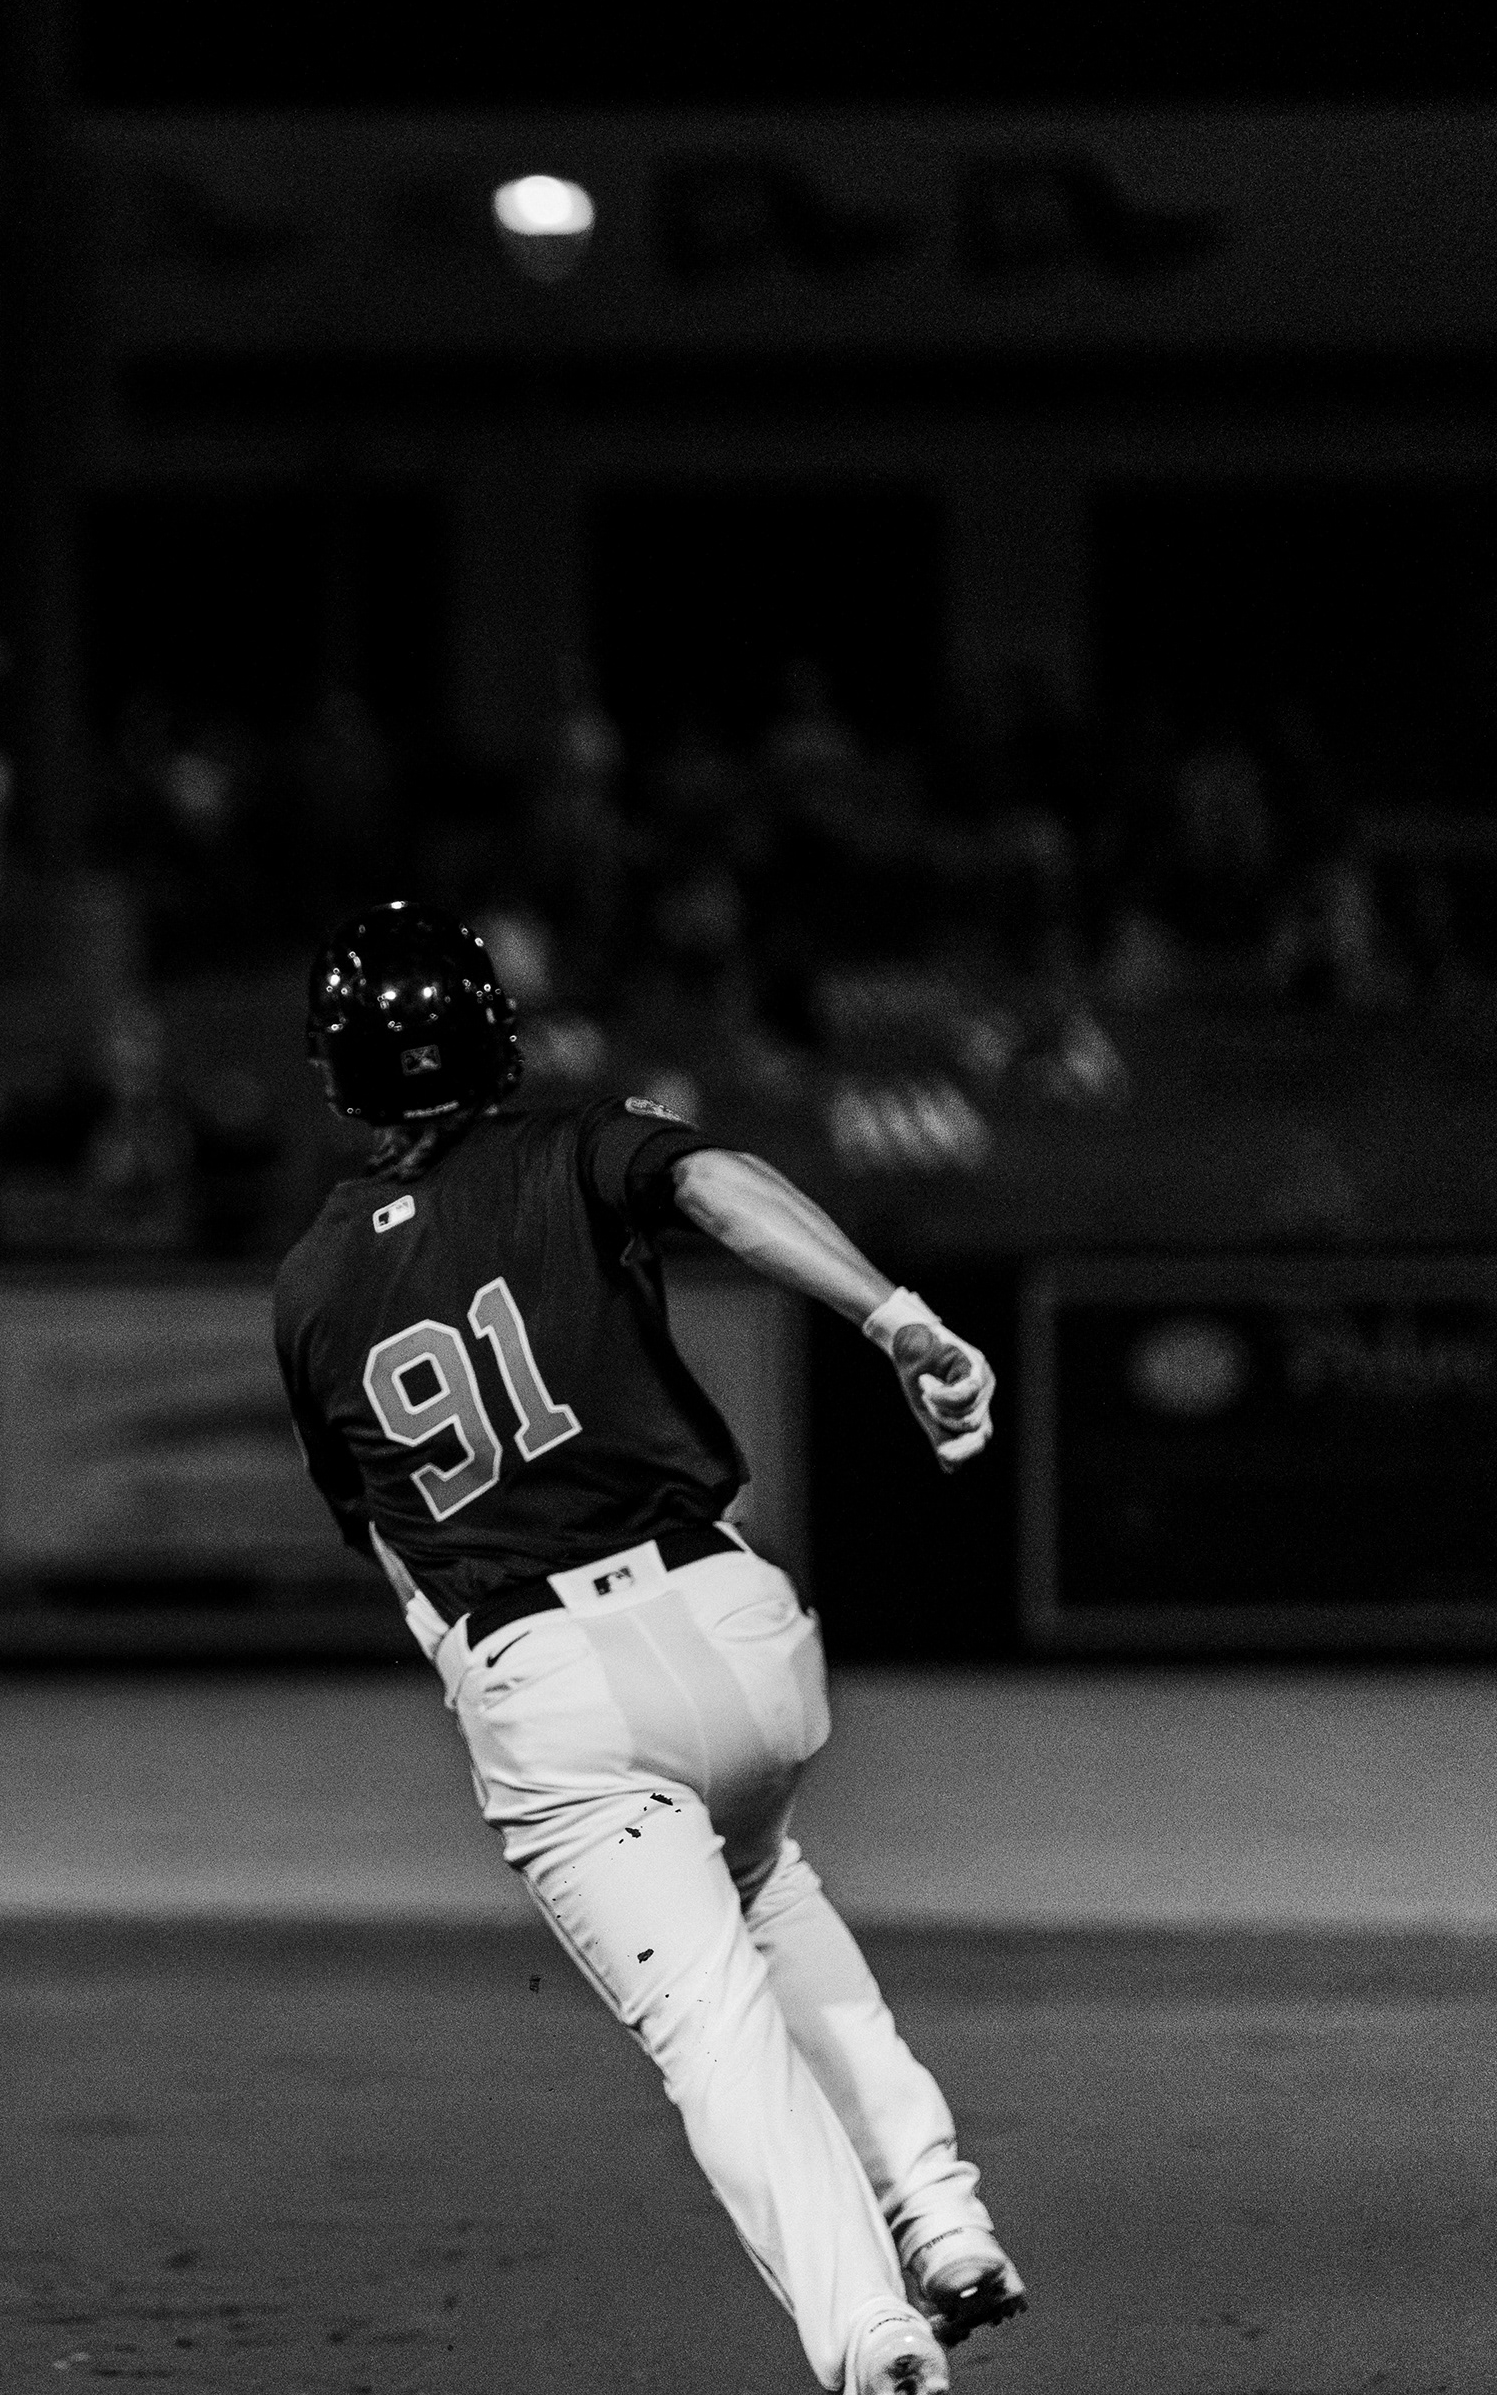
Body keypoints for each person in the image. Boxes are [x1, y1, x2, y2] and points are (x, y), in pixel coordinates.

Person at [274, 902, 1024, 2395]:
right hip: (737, 1633)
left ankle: (871, 2337)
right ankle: (939, 2214)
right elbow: (724, 1182)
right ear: (494, 1034)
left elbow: (380, 1530)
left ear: (339, 1072)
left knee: (712, 2031)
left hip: (547, 1679)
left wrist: (467, 1660)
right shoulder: (571, 1142)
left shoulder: (311, 1288)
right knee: (764, 1883)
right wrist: (894, 1318)